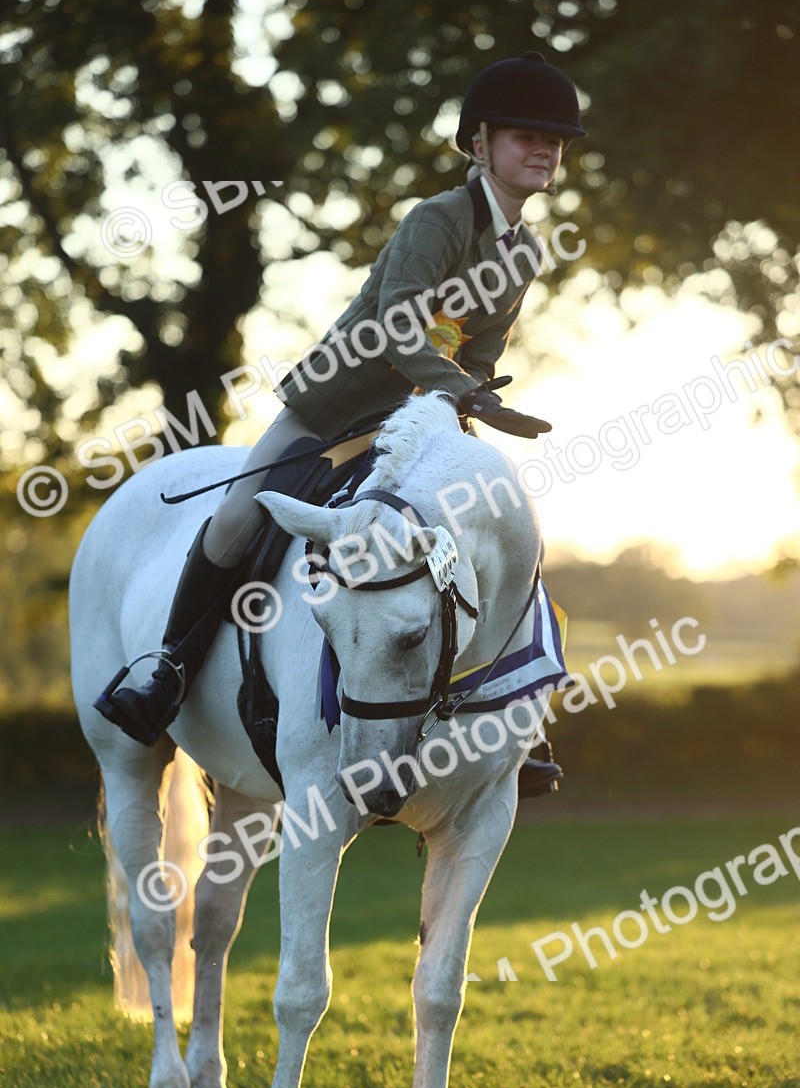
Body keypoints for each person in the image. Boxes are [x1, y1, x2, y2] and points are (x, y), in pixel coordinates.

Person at [95, 50, 586, 795]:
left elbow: (481, 348)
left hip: (427, 418)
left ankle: (517, 712)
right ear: (479, 145)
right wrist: (459, 389)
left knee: (500, 526)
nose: (544, 148)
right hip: (336, 406)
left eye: (553, 139)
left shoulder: (524, 251)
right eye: (524, 135)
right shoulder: (438, 218)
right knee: (233, 520)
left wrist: (476, 395)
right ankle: (165, 669)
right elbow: (398, 325)